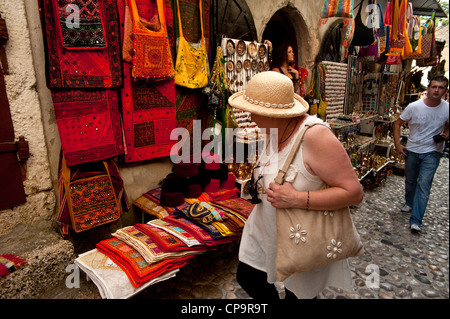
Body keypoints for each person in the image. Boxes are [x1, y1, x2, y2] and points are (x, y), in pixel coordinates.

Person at [228, 71, 364, 299]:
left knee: (297, 295)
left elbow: (354, 193)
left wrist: (297, 198)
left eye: (254, 111)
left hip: (302, 237)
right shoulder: (274, 130)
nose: (250, 117)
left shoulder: (315, 136)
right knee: (248, 276)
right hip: (265, 230)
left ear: (273, 113)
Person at [393, 75, 449, 232]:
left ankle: (416, 220)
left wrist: (445, 136)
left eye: (441, 87)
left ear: (445, 90)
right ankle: (409, 202)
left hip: (433, 152)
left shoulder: (447, 109)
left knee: (424, 184)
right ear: (428, 88)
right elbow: (398, 124)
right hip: (413, 150)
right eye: (434, 87)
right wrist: (398, 144)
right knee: (410, 181)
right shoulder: (414, 107)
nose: (437, 90)